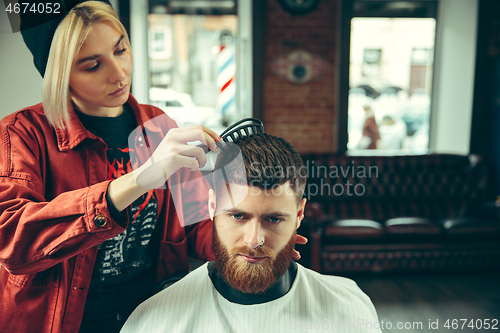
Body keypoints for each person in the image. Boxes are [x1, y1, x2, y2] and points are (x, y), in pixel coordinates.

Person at [0, 2, 306, 332]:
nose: (118, 73)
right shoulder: (21, 135)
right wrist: (140, 179)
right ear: (60, 74)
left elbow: (193, 225)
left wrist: (247, 237)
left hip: (150, 318)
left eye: (121, 50)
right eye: (92, 66)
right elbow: (13, 242)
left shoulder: (158, 126)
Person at [121, 134, 382, 333]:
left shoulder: (349, 312)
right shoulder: (154, 322)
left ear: (299, 215)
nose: (254, 239)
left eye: (274, 219)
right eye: (237, 216)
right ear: (212, 207)